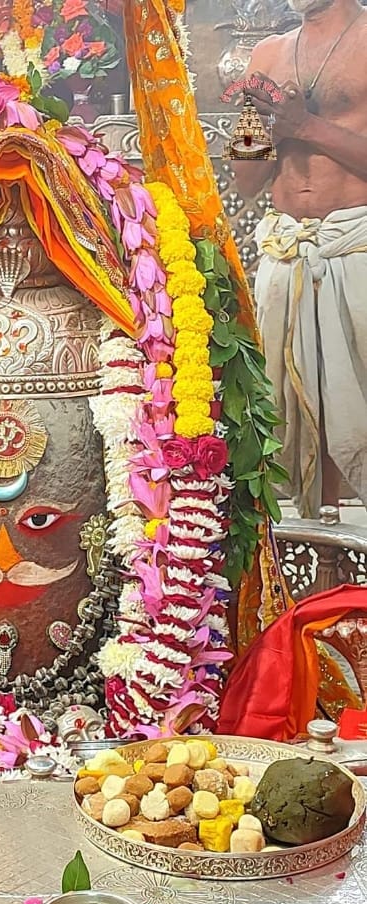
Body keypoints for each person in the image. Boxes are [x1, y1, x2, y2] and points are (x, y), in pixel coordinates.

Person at [233, 0, 367, 518]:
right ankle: (308, 539)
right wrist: (268, 131)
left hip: (354, 248)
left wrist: (307, 127)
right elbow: (246, 180)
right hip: (286, 254)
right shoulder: (266, 55)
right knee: (280, 409)